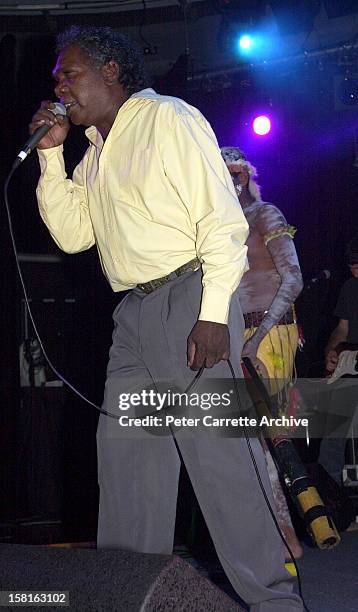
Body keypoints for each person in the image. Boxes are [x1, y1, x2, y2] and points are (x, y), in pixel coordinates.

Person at [31, 26, 302, 610]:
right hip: (132, 315)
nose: (59, 87)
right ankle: (132, 596)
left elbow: (222, 222)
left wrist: (211, 315)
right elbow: (75, 235)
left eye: (68, 74)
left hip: (191, 296)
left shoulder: (167, 119)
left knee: (217, 457)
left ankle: (276, 600)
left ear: (110, 71)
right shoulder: (94, 154)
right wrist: (52, 157)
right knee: (126, 456)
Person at [221, 146, 304, 559]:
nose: (233, 181)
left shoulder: (266, 214)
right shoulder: (221, 225)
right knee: (249, 438)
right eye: (225, 174)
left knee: (265, 435)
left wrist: (258, 336)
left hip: (270, 335)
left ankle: (286, 539)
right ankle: (278, 537)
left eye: (238, 173)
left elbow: (294, 279)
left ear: (248, 175)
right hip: (239, 335)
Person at [319, 235, 358, 484]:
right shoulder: (350, 288)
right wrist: (331, 350)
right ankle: (330, 502)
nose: (356, 274)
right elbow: (342, 328)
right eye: (353, 269)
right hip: (350, 366)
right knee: (332, 436)